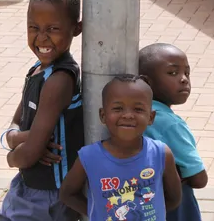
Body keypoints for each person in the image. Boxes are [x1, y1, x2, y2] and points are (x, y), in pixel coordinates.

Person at [0, 0, 84, 221]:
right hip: (29, 184)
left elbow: (29, 154)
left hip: (48, 194)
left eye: (53, 29)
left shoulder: (60, 80)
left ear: (76, 28)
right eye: (33, 27)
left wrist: (11, 155)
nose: (42, 38)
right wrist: (18, 138)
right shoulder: (38, 69)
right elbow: (16, 123)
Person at [60, 75, 182, 221]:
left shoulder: (161, 154)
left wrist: (151, 212)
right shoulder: (89, 157)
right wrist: (97, 212)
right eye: (118, 108)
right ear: (103, 115)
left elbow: (174, 198)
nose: (128, 115)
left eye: (138, 109)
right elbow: (67, 194)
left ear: (150, 117)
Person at [139, 43, 208, 221]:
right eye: (173, 73)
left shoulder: (137, 114)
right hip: (174, 206)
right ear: (147, 82)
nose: (184, 79)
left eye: (187, 72)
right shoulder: (169, 124)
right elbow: (199, 179)